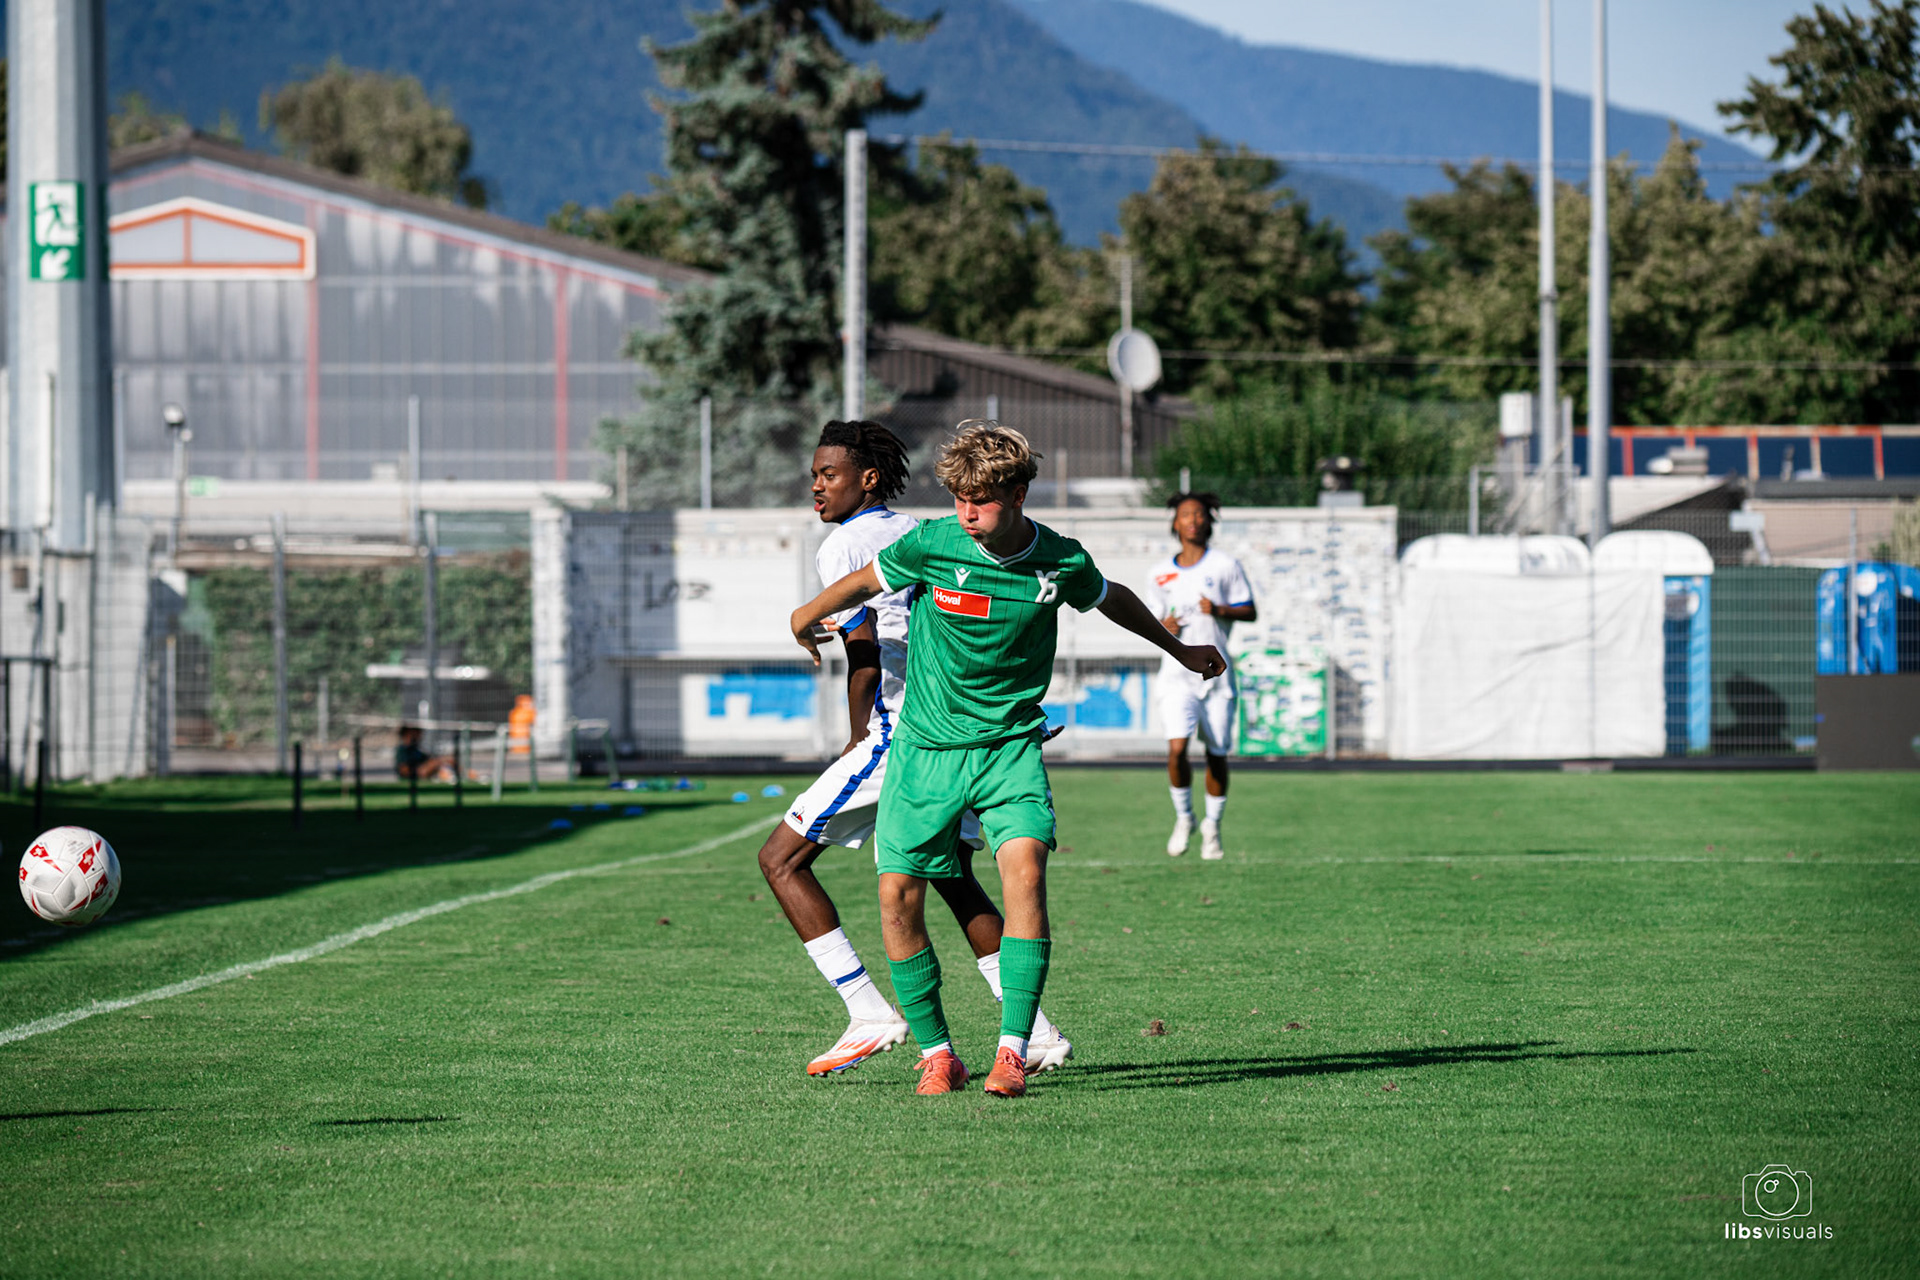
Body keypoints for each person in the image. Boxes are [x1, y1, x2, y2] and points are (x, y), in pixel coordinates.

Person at [789, 421, 1226, 1098]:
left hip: (1009, 748)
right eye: (959, 497)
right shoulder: (930, 544)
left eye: (981, 500)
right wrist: (802, 617)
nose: (966, 512)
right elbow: (859, 587)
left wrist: (1184, 652)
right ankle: (938, 1053)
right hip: (925, 750)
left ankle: (1016, 1048)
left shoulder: (1058, 560)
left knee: (1023, 873)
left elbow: (1113, 600)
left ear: (1019, 494)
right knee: (897, 897)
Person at [759, 420, 1074, 1078]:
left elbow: (864, 649)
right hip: (970, 729)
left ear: (867, 479)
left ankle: (868, 1011)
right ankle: (1036, 1032)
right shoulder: (922, 528)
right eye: (814, 474)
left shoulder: (846, 546)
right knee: (951, 876)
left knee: (782, 859)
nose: (815, 486)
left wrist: (857, 738)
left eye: (829, 474)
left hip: (908, 730)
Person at [1145, 492, 1257, 861]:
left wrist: (1222, 608)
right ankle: (1184, 817)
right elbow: (1150, 622)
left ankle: (1213, 825)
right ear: (1174, 523)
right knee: (1177, 748)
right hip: (1177, 677)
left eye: (1198, 514)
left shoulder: (1225, 564)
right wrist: (1166, 625)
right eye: (1185, 515)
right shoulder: (1159, 572)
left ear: (1209, 521)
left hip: (1217, 677)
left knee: (1217, 754)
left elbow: (1249, 609)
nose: (1192, 520)